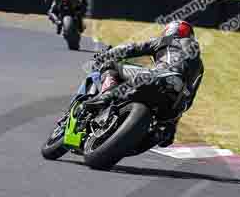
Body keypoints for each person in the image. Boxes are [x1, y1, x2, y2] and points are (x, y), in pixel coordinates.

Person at [85, 20, 204, 148]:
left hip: (158, 77)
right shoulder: (200, 65)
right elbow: (190, 97)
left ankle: (106, 96)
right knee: (165, 125)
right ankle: (160, 132)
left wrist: (107, 54)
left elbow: (132, 48)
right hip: (174, 102)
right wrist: (173, 123)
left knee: (111, 65)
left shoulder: (168, 40)